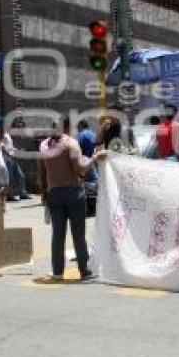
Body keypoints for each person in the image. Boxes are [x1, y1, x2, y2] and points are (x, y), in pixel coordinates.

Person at [38, 118, 103, 281]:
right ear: (67, 127)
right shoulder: (71, 144)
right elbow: (80, 169)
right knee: (78, 234)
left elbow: (42, 172)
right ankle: (84, 270)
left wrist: (44, 193)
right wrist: (94, 158)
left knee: (57, 234)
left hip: (53, 193)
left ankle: (57, 271)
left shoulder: (44, 145)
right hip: (74, 193)